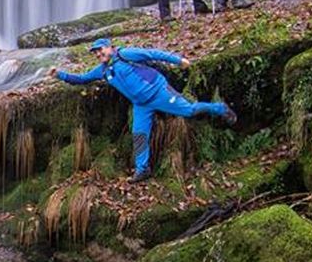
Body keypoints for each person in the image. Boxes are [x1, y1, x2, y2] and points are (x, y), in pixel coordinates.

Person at [49, 38, 236, 183]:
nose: (98, 54)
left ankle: (219, 108)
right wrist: (60, 75)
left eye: (100, 50)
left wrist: (179, 60)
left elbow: (152, 54)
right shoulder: (103, 70)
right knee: (139, 134)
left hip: (159, 91)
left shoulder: (125, 54)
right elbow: (82, 79)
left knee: (188, 110)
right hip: (141, 104)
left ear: (109, 47)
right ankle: (142, 169)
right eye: (95, 53)